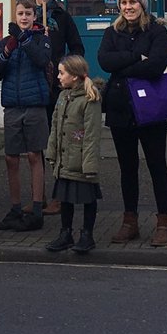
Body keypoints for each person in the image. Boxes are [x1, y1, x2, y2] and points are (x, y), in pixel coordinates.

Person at [97, 0, 167, 246]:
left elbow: (156, 66)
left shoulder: (156, 31)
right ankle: (129, 221)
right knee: (127, 168)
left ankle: (164, 222)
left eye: (132, 1)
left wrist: (122, 67)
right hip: (120, 110)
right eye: (123, 2)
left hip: (151, 109)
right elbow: (104, 61)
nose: (128, 7)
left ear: (141, 4)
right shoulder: (112, 32)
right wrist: (134, 58)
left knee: (157, 166)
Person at [0, 0, 52, 232]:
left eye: (28, 14)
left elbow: (41, 61)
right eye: (20, 14)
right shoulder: (7, 41)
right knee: (10, 158)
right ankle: (15, 208)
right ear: (14, 16)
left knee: (35, 156)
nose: (24, 18)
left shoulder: (41, 39)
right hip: (13, 106)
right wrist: (7, 50)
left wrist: (24, 39)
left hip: (35, 104)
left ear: (34, 17)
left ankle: (37, 207)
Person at [45, 54, 103, 255]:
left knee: (87, 198)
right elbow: (54, 126)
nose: (59, 77)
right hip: (64, 158)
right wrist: (51, 152)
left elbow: (92, 134)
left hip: (80, 159)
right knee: (65, 197)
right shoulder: (62, 96)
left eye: (62, 73)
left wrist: (89, 164)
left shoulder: (90, 99)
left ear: (75, 76)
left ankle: (87, 234)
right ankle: (65, 233)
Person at [34, 0, 84, 127]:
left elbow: (77, 47)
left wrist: (67, 67)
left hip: (57, 79)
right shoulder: (27, 16)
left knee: (57, 123)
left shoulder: (62, 16)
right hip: (34, 78)